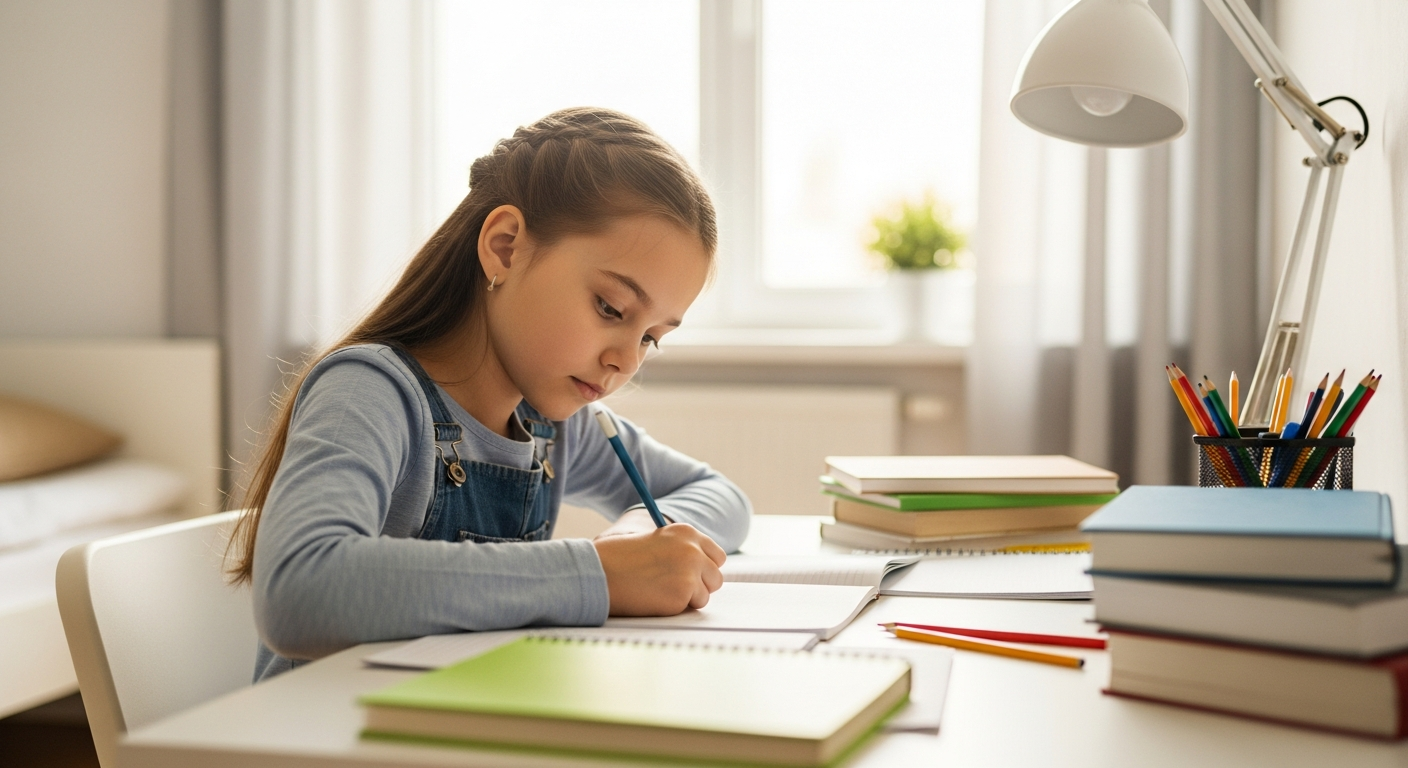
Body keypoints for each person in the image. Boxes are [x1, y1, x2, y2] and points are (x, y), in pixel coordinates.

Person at [226, 107, 752, 681]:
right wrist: (598, 574)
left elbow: (717, 494)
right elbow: (299, 590)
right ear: (505, 248)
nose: (625, 360)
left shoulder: (557, 424)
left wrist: (639, 539)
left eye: (651, 337)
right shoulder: (372, 391)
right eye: (610, 309)